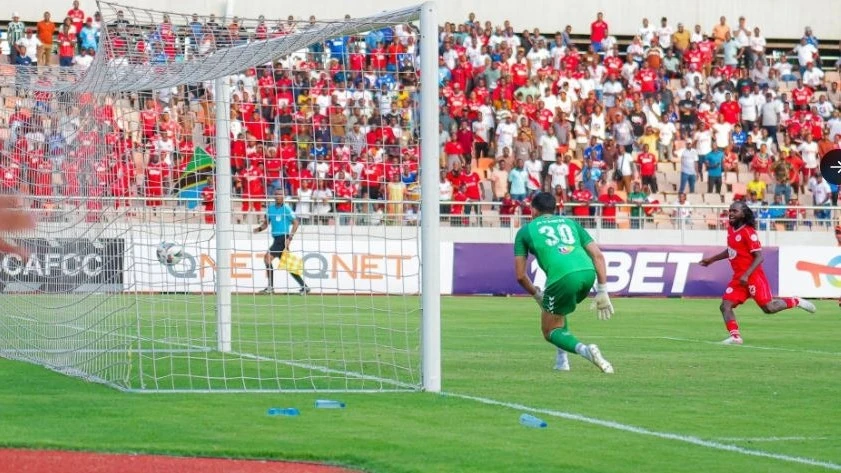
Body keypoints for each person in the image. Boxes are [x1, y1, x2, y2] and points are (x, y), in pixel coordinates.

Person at [513, 192, 614, 374]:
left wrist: (537, 295)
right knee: (558, 311)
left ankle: (585, 350)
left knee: (549, 330)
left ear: (533, 210)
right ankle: (562, 360)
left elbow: (520, 275)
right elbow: (598, 255)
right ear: (555, 209)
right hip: (587, 273)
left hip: (562, 278)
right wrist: (602, 290)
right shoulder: (571, 223)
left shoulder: (525, 231)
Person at [699, 201, 815, 344]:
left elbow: (759, 256)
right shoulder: (730, 229)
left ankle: (795, 301)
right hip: (739, 278)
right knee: (725, 305)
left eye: (734, 211)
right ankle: (735, 337)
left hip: (753, 277)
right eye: (730, 211)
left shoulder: (749, 232)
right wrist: (712, 260)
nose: (731, 213)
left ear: (743, 213)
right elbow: (731, 251)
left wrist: (747, 274)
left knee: (769, 308)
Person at [253, 189, 311, 295]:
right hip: (277, 239)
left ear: (283, 197)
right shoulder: (270, 209)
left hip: (283, 239)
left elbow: (296, 223)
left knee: (267, 258)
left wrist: (290, 238)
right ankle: (304, 287)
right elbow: (266, 224)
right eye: (277, 194)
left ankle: (270, 287)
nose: (278, 196)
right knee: (288, 265)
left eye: (280, 194)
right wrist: (258, 229)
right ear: (274, 196)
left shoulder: (286, 209)